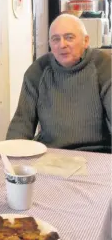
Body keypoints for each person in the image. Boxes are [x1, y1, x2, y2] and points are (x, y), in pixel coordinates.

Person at [6, 14, 111, 153]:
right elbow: (22, 122)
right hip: (50, 153)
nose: (62, 44)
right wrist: (10, 157)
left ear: (86, 41)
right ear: (50, 44)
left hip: (97, 153)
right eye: (56, 39)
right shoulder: (38, 70)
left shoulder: (103, 66)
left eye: (69, 37)